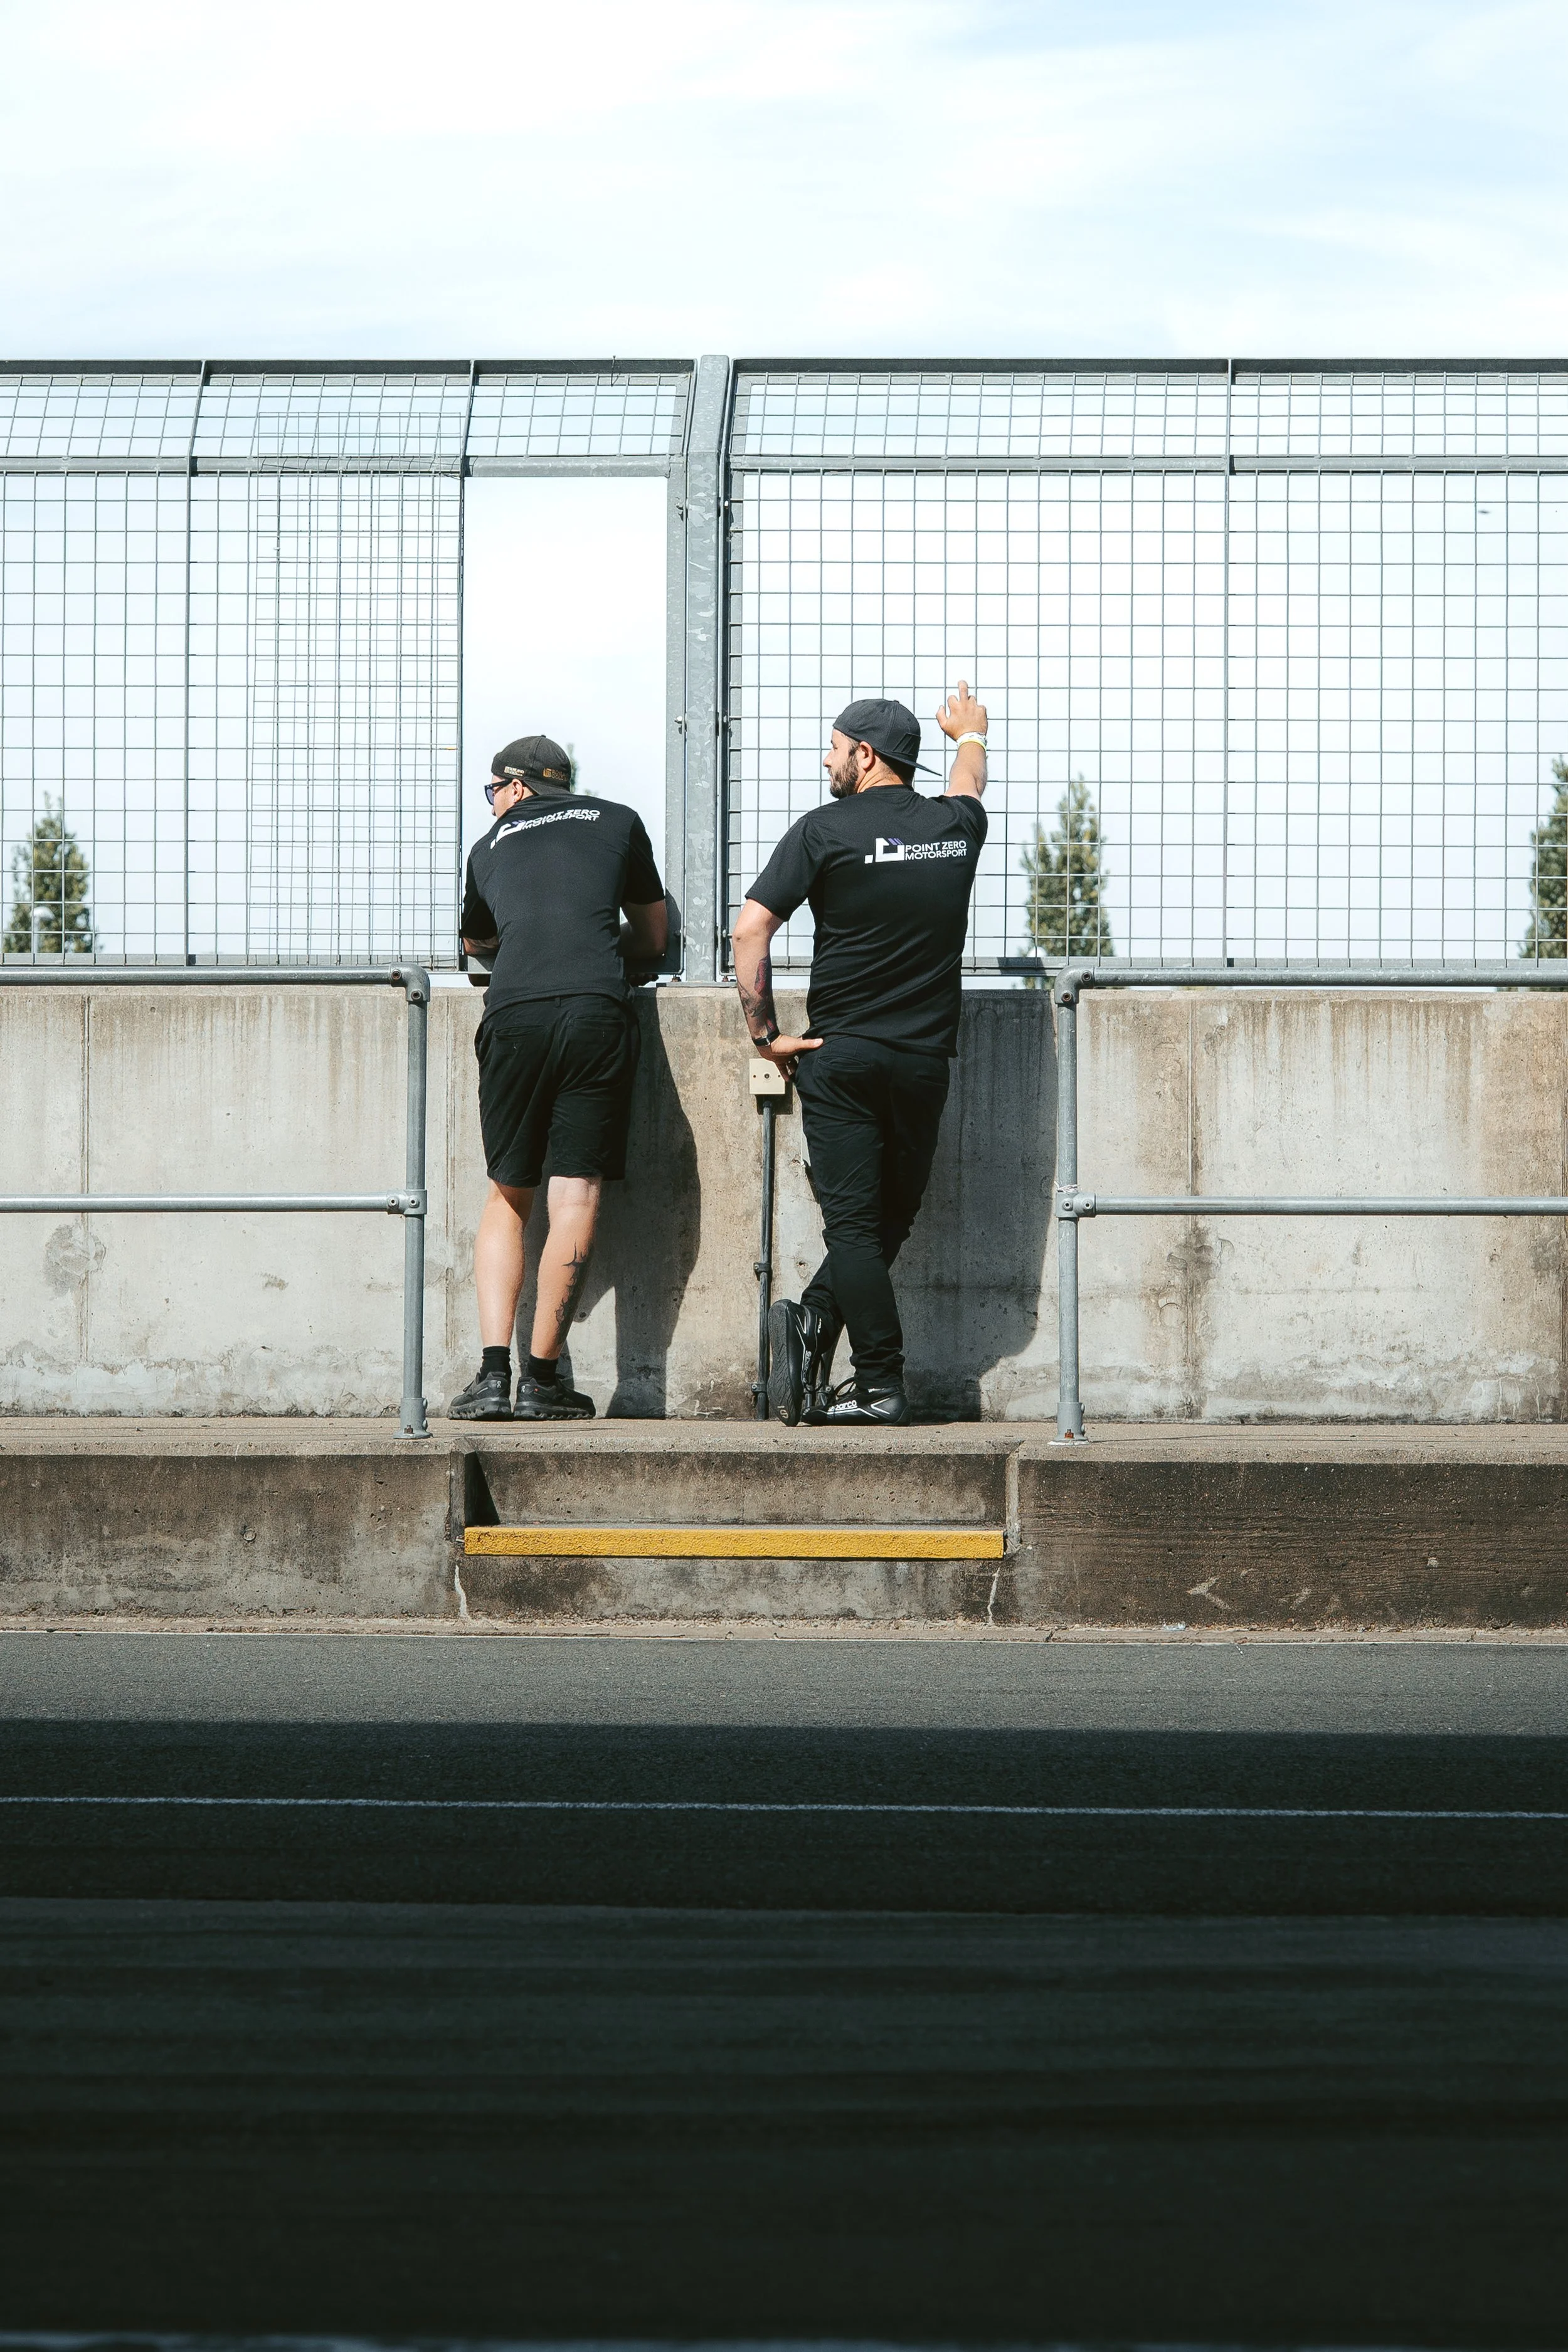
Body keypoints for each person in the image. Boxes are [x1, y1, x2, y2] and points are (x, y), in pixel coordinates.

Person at [731, 684, 988, 1426]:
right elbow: (968, 781)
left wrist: (765, 1036)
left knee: (853, 1225)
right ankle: (815, 1321)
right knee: (889, 1220)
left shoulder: (821, 831)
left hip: (841, 1057)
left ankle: (879, 1384)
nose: (826, 758)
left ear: (865, 755)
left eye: (834, 747)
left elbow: (750, 934)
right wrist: (969, 733)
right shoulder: (954, 825)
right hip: (922, 1064)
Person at [448, 733, 667, 1422]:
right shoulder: (618, 819)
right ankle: (543, 1381)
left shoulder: (487, 850)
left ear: (515, 789)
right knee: (574, 1194)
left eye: (492, 792)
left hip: (513, 1013)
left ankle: (490, 1377)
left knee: (508, 1195)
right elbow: (653, 938)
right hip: (596, 1009)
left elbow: (475, 945)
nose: (491, 806)